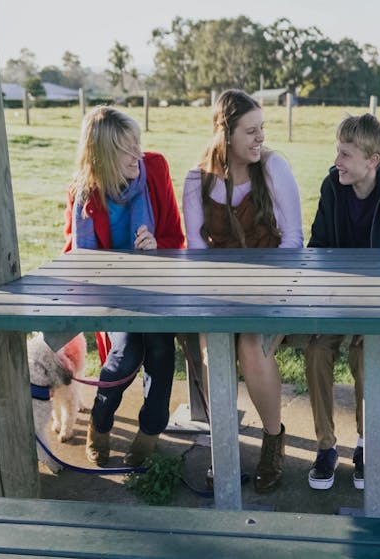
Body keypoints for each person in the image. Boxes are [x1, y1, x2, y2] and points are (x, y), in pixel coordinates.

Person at [182, 89, 303, 493]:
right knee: (211, 345)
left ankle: (273, 437)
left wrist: (264, 291)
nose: (260, 139)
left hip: (275, 288)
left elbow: (293, 241)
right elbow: (197, 254)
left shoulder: (273, 169)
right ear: (225, 133)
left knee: (252, 344)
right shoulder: (197, 180)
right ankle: (223, 449)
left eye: (262, 129)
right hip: (220, 293)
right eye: (250, 131)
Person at [63, 106, 185, 468]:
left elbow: (175, 238)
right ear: (101, 157)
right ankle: (99, 424)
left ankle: (150, 432)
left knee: (161, 351)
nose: (138, 155)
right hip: (111, 297)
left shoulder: (156, 168)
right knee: (124, 356)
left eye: (138, 145)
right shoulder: (82, 194)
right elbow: (74, 257)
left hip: (157, 289)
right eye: (126, 150)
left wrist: (156, 247)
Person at [305, 113, 380, 490]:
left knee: (364, 352)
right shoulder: (331, 186)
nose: (337, 161)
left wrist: (379, 301)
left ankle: (366, 443)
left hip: (376, 301)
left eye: (345, 154)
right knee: (317, 350)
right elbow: (318, 244)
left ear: (373, 161)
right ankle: (325, 446)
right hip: (336, 297)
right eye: (337, 152)